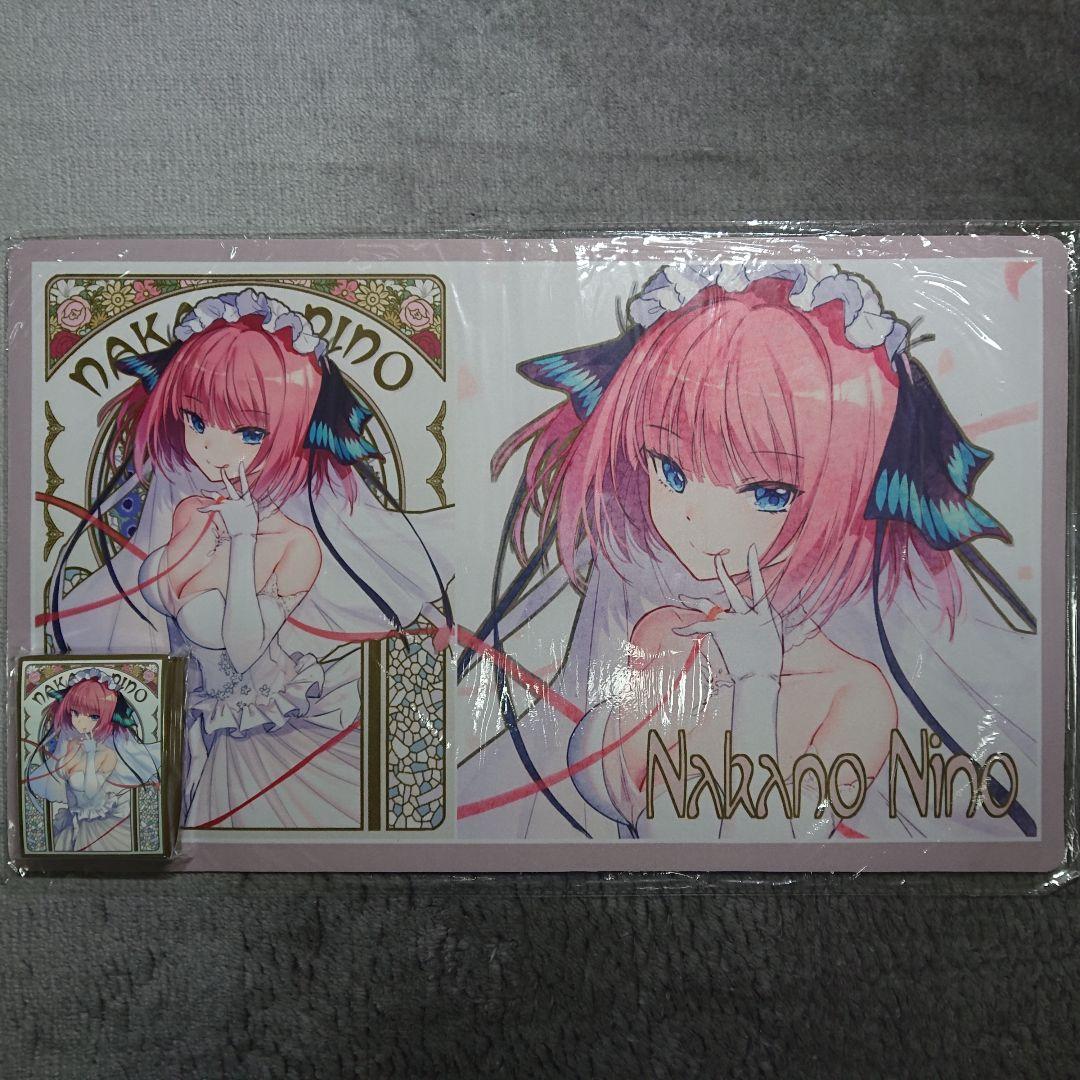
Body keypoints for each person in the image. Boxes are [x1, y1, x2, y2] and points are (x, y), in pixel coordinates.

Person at [457, 262, 1038, 842]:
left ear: (849, 494)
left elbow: (768, 846)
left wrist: (758, 679)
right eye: (671, 471)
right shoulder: (658, 633)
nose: (700, 522)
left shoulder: (853, 695)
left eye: (769, 493)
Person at [49, 290, 452, 829]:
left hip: (267, 736)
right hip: (197, 723)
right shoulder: (190, 510)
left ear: (292, 436)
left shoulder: (295, 543)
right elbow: (153, 593)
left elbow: (243, 647)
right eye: (196, 421)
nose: (213, 451)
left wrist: (242, 542)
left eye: (249, 433)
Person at [25, 668, 159, 852]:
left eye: (94, 716)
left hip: (98, 826)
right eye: (75, 713)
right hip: (74, 821)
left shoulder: (107, 754)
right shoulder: (72, 745)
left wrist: (89, 756)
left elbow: (90, 791)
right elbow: (59, 773)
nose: (81, 722)